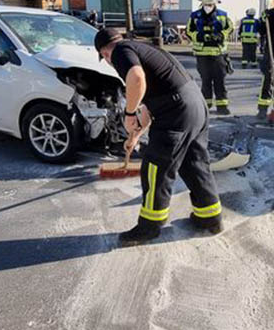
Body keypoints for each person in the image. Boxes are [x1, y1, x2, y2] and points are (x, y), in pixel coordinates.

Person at [94, 28, 223, 245]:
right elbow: (149, 108)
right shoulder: (143, 48)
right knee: (194, 164)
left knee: (155, 168)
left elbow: (136, 79)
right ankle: (210, 218)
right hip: (195, 105)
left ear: (104, 53)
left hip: (176, 112)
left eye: (105, 58)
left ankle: (149, 227)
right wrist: (135, 135)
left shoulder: (120, 51)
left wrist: (128, 114)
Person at [186, 0, 233, 115]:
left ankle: (222, 107)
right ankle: (205, 106)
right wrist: (199, 36)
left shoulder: (223, 15)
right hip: (202, 55)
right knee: (206, 80)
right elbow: (188, 31)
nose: (208, 7)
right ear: (202, 3)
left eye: (210, 4)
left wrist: (221, 35)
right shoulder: (195, 16)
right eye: (206, 4)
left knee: (220, 81)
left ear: (215, 4)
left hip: (218, 54)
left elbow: (230, 28)